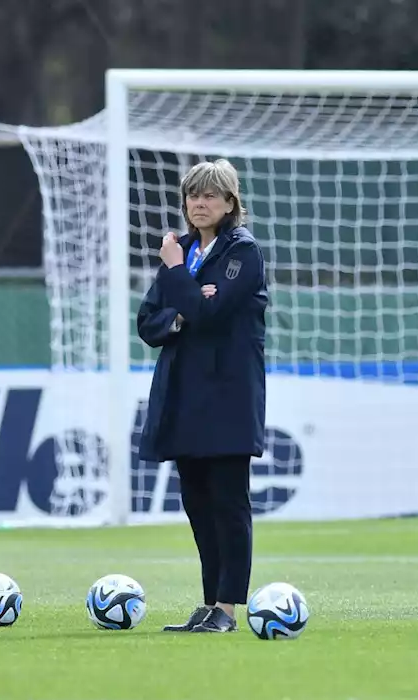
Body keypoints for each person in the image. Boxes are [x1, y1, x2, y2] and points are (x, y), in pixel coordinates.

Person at [135, 158, 268, 633]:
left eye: (211, 195)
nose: (200, 202)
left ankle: (230, 608)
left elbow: (210, 316)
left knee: (229, 502)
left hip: (227, 396)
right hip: (184, 395)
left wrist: (178, 280)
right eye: (194, 195)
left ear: (231, 203)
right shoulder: (186, 250)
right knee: (196, 501)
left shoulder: (241, 253)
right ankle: (210, 601)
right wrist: (185, 308)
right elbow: (149, 322)